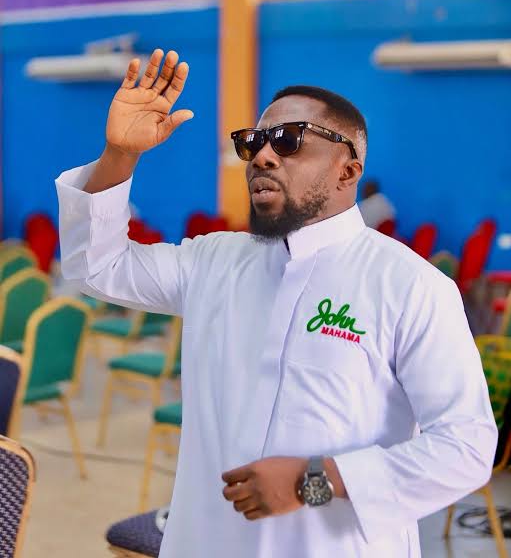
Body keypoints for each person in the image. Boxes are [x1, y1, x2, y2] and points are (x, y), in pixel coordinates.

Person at [56, 49, 497, 558]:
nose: (263, 156)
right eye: (253, 142)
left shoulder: (409, 285)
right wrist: (119, 155)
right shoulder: (214, 261)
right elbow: (96, 266)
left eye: (289, 140)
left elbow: (466, 446)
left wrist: (316, 480)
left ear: (347, 171)